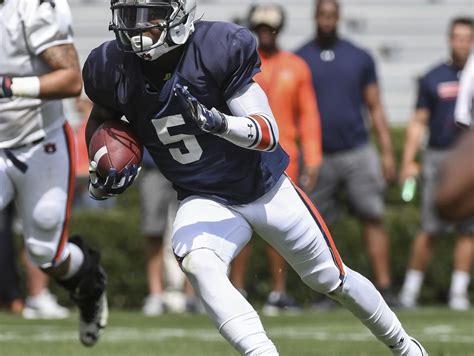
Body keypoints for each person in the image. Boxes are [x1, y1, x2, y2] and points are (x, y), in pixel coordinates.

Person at [84, 1, 427, 354]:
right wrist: (102, 164)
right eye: (128, 16)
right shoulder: (110, 66)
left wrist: (219, 123)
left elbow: (267, 133)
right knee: (200, 262)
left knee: (330, 278)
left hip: (264, 189)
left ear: (178, 16)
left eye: (147, 17)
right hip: (202, 195)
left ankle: (405, 347)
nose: (136, 28)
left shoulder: (216, 48)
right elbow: (101, 119)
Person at [0, 0, 107, 346]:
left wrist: (8, 87)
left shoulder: (32, 8)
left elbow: (70, 80)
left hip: (39, 141)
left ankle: (90, 284)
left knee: (46, 253)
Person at [295, 0, 399, 307]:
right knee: (318, 228)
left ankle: (385, 287)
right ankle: (325, 292)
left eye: (331, 15)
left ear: (338, 17)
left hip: (357, 150)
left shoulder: (359, 57)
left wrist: (387, 153)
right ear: (315, 16)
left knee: (372, 216)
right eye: (322, 15)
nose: (327, 20)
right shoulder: (301, 58)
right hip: (318, 156)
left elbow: (375, 106)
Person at [230, 3, 322, 315]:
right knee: (240, 225)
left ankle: (278, 292)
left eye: (270, 28)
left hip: (285, 157)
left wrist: (314, 158)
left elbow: (308, 116)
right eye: (260, 28)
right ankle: (238, 289)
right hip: (242, 156)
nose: (265, 33)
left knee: (278, 227)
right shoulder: (239, 64)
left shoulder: (296, 66)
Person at [398, 17, 474, 311]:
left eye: (467, 38)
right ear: (449, 39)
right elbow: (418, 121)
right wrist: (408, 160)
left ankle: (458, 291)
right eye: (457, 37)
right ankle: (410, 290)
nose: (462, 43)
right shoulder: (433, 76)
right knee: (430, 226)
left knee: (469, 230)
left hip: (469, 160)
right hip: (440, 156)